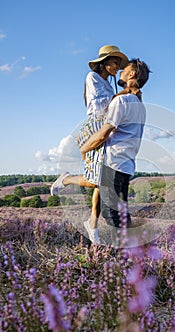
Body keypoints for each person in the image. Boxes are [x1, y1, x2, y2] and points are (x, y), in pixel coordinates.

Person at [51, 45, 140, 243]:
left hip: (105, 128)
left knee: (102, 177)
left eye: (119, 64)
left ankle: (92, 224)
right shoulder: (92, 78)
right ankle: (65, 180)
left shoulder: (110, 84)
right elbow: (101, 107)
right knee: (95, 180)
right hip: (94, 128)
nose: (117, 67)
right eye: (115, 62)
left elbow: (113, 106)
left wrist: (124, 95)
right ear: (105, 62)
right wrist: (125, 93)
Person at [80, 58, 151, 243]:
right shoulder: (140, 105)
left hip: (112, 162)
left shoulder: (122, 101)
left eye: (124, 69)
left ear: (132, 74)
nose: (120, 71)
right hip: (127, 164)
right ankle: (129, 257)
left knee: (111, 213)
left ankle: (123, 257)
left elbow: (104, 132)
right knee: (121, 212)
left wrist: (84, 148)